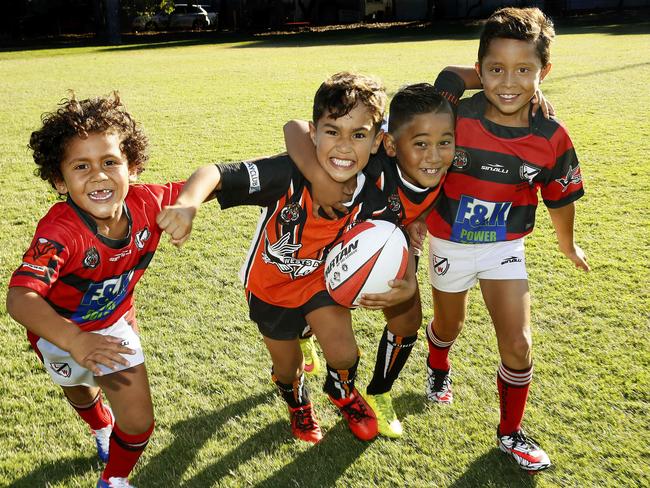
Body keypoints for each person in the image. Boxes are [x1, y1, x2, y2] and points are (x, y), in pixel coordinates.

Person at [156, 72, 417, 444]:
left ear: (377, 142)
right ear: (313, 133)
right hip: (272, 288)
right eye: (332, 131)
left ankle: (341, 391)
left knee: (343, 352)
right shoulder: (287, 173)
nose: (344, 146)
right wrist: (187, 204)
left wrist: (407, 271)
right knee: (288, 366)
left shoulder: (377, 185)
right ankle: (298, 404)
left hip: (323, 284)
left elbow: (396, 229)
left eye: (358, 135)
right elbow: (215, 173)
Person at [417, 7, 589, 472]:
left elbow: (560, 196)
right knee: (447, 327)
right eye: (496, 69)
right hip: (449, 243)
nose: (508, 82)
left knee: (518, 344)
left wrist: (567, 244)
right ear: (480, 71)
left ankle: (510, 433)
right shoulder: (453, 114)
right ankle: (438, 365)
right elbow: (446, 76)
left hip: (504, 248)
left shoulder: (551, 137)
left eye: (524, 70)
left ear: (543, 72)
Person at [6, 93, 184, 488]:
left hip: (115, 326)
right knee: (80, 390)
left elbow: (216, 178)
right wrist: (74, 339)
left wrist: (187, 203)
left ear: (132, 167)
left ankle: (114, 479)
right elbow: (20, 297)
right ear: (59, 178)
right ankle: (100, 426)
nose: (98, 176)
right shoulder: (59, 232)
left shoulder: (148, 201)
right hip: (58, 332)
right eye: (80, 166)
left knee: (138, 420)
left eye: (110, 162)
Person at [282, 83, 456, 438]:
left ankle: (379, 391)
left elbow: (407, 217)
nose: (433, 156)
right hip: (326, 246)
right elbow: (294, 127)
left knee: (409, 318)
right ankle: (306, 338)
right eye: (420, 145)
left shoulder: (444, 165)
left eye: (444, 143)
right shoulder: (373, 163)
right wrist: (318, 177)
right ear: (390, 145)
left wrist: (410, 260)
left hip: (390, 245)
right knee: (315, 310)